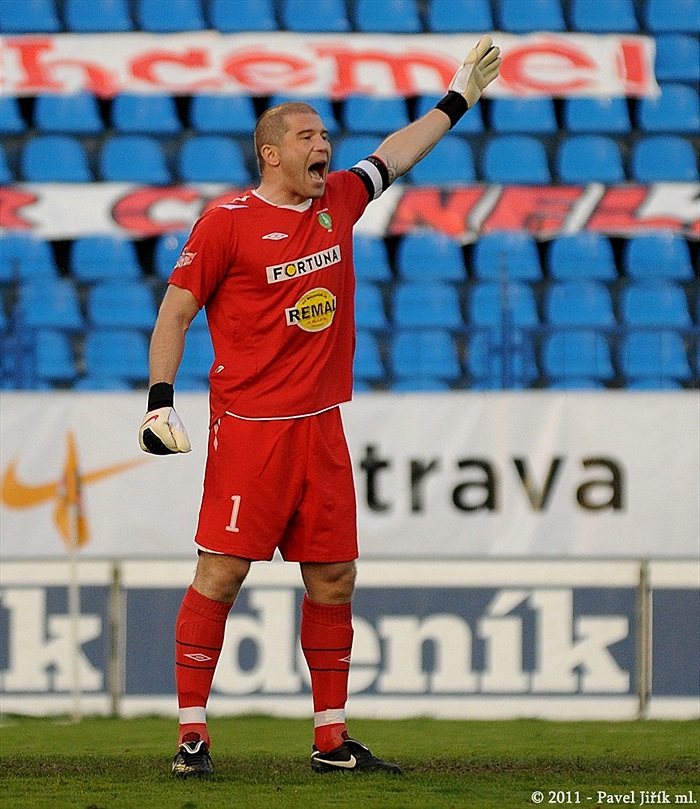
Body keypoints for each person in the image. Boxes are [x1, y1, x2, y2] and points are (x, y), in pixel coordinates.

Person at [139, 35, 501, 777]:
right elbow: (175, 313)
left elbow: (400, 152)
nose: (325, 146)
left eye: (326, 136)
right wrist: (158, 402)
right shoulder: (225, 222)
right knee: (221, 573)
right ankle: (191, 735)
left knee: (334, 577)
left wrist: (458, 96)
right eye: (308, 136)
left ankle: (331, 741)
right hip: (250, 431)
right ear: (270, 152)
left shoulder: (338, 198)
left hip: (321, 428)